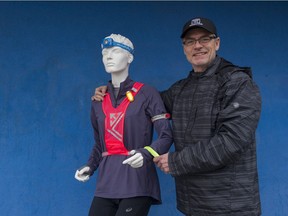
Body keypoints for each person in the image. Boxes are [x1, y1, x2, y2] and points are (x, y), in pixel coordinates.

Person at [93, 17, 262, 216]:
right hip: (193, 205)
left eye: (204, 39)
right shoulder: (181, 90)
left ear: (217, 43)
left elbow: (231, 142)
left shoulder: (237, 84)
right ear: (184, 48)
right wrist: (114, 93)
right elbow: (141, 104)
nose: (197, 46)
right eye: (190, 41)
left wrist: (175, 162)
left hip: (231, 206)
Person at [75, 33, 173, 216]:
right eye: (105, 53)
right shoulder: (98, 100)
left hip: (137, 181)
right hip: (106, 183)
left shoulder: (147, 93)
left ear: (130, 57)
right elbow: (100, 144)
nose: (109, 57)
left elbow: (166, 135)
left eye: (116, 51)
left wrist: (146, 153)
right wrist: (90, 165)